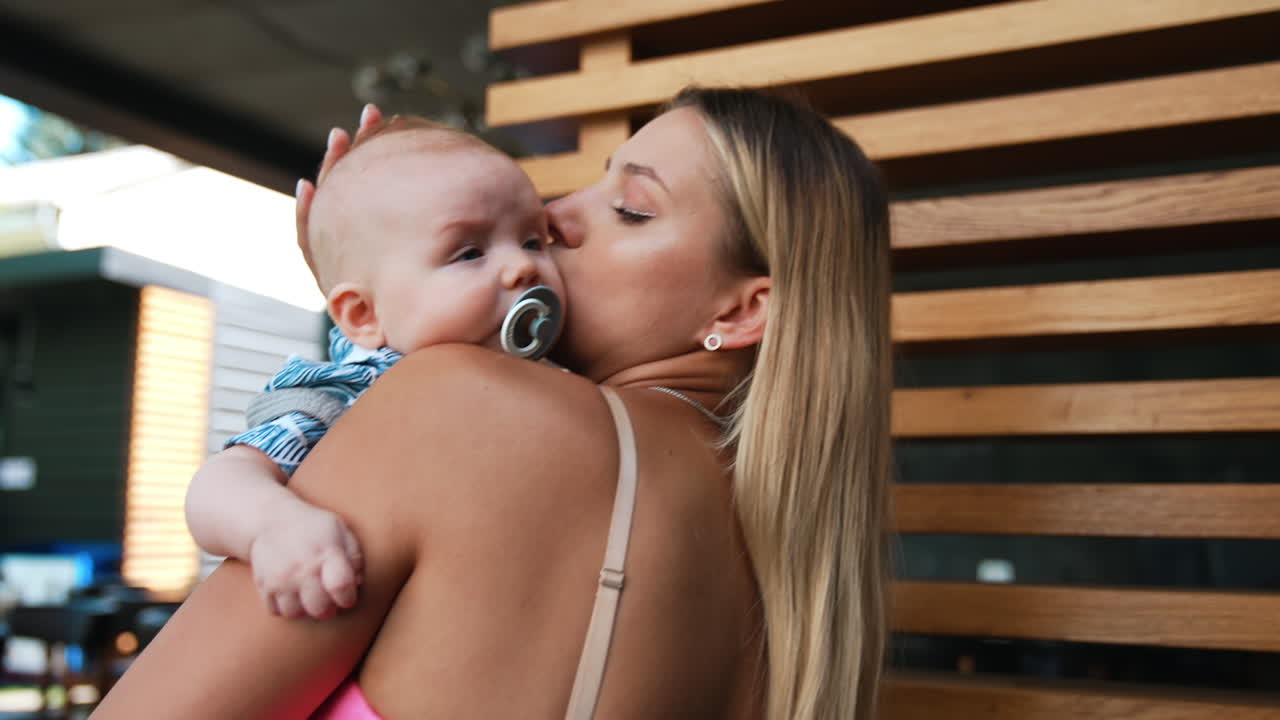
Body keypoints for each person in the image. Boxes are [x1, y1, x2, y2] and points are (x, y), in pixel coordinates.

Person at [92, 86, 891, 720]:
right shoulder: (797, 590)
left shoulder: (457, 405)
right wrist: (391, 291)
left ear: (739, 312)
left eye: (631, 210)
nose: (556, 215)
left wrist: (392, 332)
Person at [183, 114, 565, 620]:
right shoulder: (357, 391)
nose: (524, 267)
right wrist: (276, 525)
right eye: (469, 252)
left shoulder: (557, 377)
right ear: (364, 315)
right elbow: (219, 484)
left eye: (534, 239)